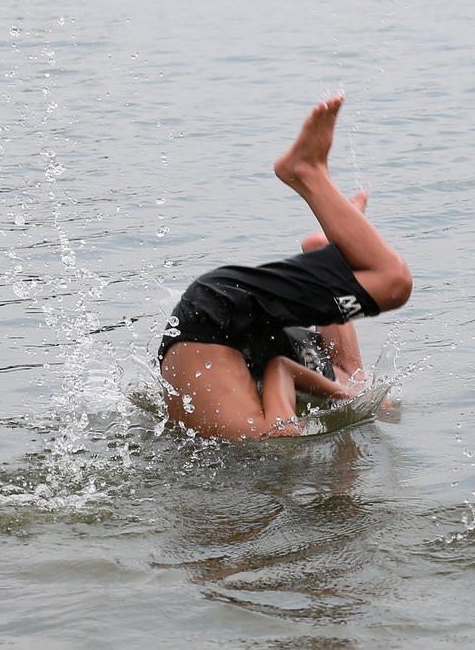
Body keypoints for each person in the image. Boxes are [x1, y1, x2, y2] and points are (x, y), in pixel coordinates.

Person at [158, 96, 411, 439]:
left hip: (218, 318)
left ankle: (307, 174)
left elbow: (282, 370)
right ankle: (330, 244)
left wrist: (347, 398)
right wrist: (351, 399)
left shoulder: (274, 434)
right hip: (234, 335)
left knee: (393, 284)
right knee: (353, 369)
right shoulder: (265, 434)